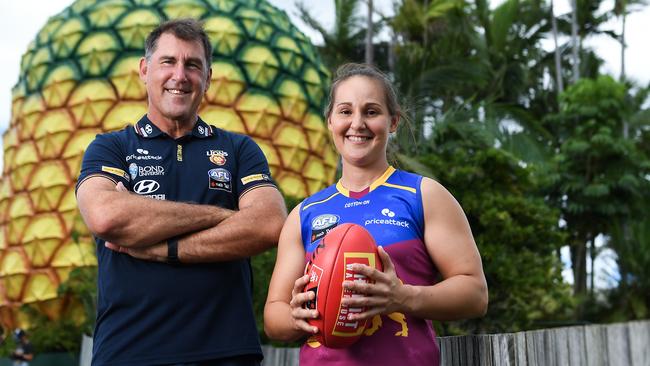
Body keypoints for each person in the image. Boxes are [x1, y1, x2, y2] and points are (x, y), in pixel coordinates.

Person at [76, 19, 286, 366]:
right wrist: (223, 215)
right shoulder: (111, 147)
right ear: (145, 70)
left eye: (193, 65)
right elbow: (107, 216)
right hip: (128, 350)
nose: (180, 75)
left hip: (226, 351)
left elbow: (268, 224)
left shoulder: (238, 149)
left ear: (208, 77)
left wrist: (166, 248)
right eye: (168, 62)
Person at [263, 63, 488, 365]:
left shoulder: (424, 196)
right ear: (330, 121)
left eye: (371, 112)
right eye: (345, 111)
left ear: (393, 121)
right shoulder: (304, 213)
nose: (357, 123)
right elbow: (273, 317)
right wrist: (298, 315)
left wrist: (403, 297)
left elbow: (475, 294)